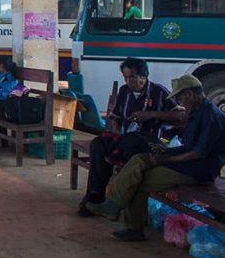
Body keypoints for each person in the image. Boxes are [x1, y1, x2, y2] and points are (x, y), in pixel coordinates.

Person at [86, 74, 225, 241]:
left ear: (191, 94)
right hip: (187, 162)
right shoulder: (196, 111)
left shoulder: (211, 115)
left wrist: (163, 160)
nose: (180, 102)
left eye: (181, 97)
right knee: (139, 160)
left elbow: (199, 153)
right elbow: (188, 147)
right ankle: (115, 209)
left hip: (197, 170)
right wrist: (164, 152)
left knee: (138, 180)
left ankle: (127, 221)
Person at [77, 57, 185, 216]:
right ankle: (95, 195)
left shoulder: (158, 92)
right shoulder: (124, 91)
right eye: (125, 77)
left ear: (144, 75)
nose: (129, 81)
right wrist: (113, 127)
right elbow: (116, 117)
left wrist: (150, 114)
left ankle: (118, 201)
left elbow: (181, 115)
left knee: (130, 144)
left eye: (132, 76)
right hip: (125, 139)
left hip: (150, 141)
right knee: (98, 144)